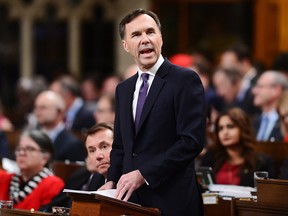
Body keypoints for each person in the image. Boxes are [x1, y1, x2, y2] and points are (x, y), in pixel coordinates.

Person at [99, 9, 206, 216]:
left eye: (150, 32)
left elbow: (191, 142)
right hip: (131, 202)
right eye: (136, 35)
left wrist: (143, 174)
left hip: (172, 201)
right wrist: (111, 181)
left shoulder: (184, 80)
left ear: (161, 38)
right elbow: (121, 145)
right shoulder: (124, 89)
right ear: (125, 45)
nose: (145, 39)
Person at [40, 122, 114, 211]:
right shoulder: (95, 178)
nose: (98, 156)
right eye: (92, 150)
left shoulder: (130, 180)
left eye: (104, 146)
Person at [200, 107, 276, 187]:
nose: (224, 132)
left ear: (243, 128)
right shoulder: (210, 157)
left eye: (230, 126)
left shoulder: (262, 163)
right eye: (220, 128)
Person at [0, 129, 64, 210]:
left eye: (30, 149)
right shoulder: (5, 179)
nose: (22, 153)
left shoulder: (53, 184)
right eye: (19, 149)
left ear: (45, 158)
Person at [34, 90, 86, 162]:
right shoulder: (31, 136)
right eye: (36, 107)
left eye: (43, 107)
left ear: (59, 112)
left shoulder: (72, 144)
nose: (37, 111)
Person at [252, 71, 288, 142]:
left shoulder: (285, 121)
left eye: (260, 86)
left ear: (276, 90)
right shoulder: (253, 122)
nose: (254, 91)